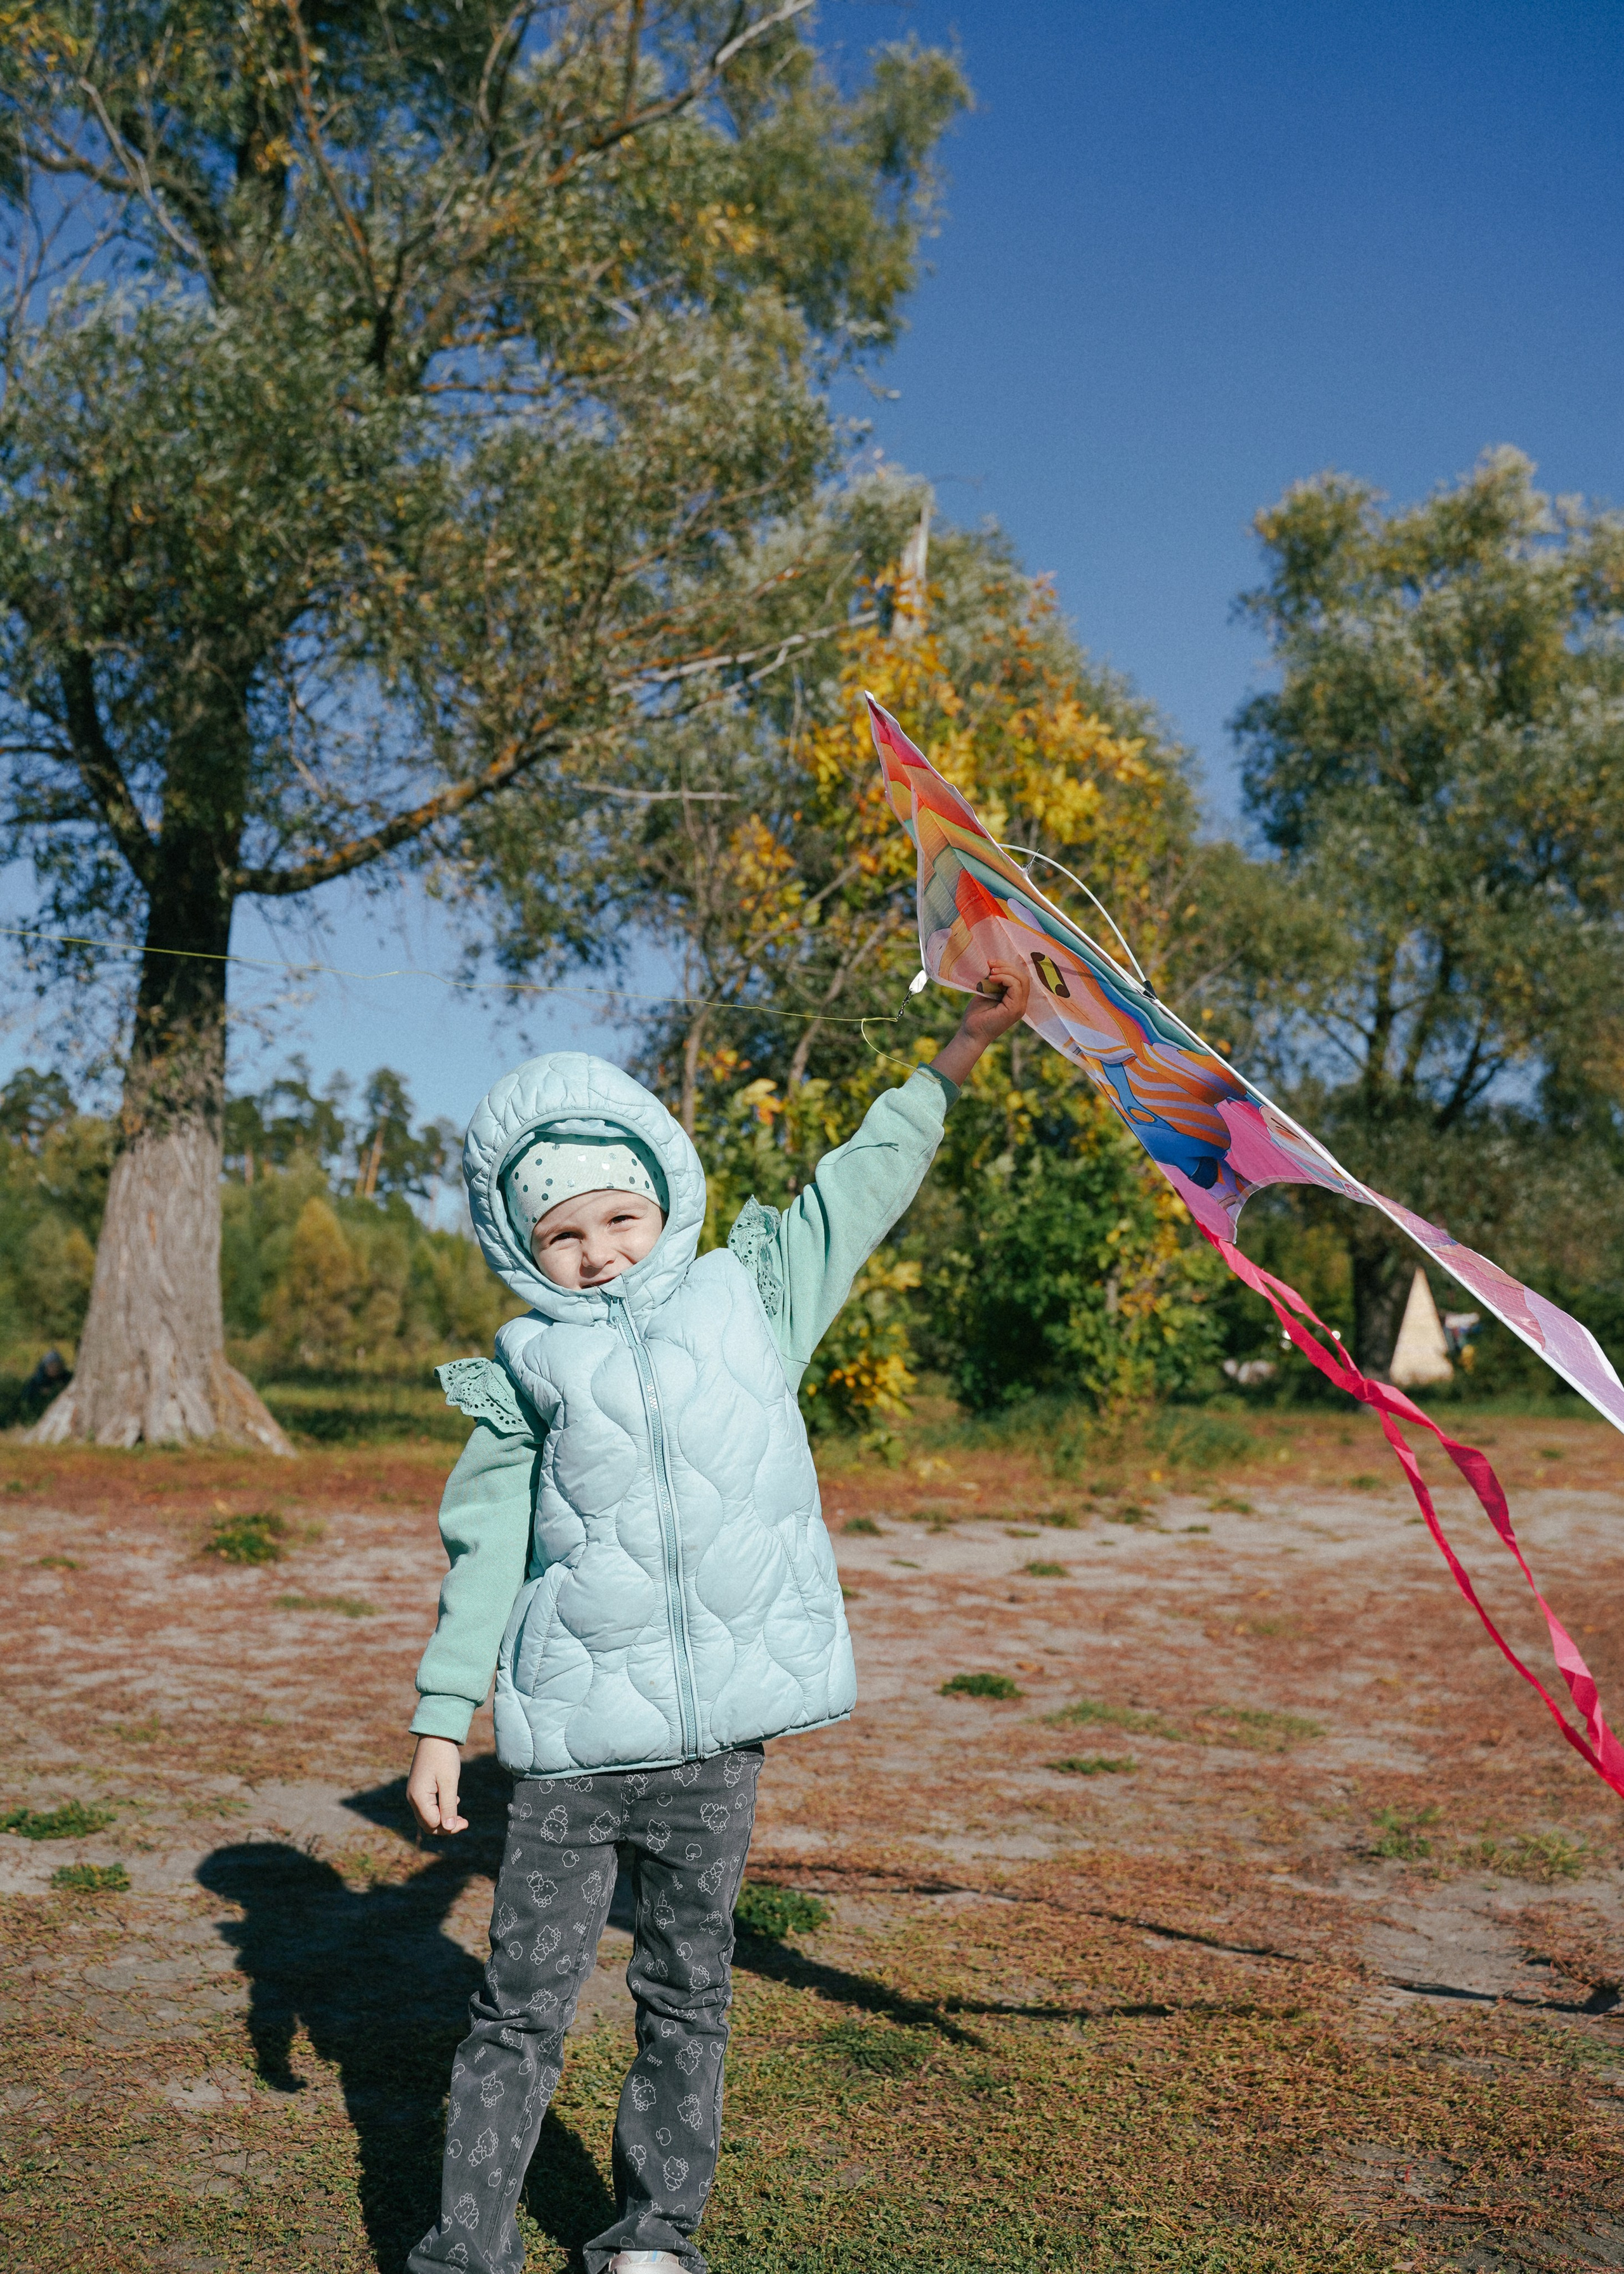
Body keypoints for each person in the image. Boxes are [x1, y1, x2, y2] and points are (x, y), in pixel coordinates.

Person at [404, 962, 1031, 2274]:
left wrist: (961, 1047)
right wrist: (439, 1722)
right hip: (571, 1753)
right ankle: (469, 2245)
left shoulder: (749, 1295)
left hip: (712, 1753)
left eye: (620, 1216)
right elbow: (484, 1550)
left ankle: (652, 2234)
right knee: (521, 2006)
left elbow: (858, 1184)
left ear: (663, 1195)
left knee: (685, 1991)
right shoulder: (527, 1365)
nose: (600, 1251)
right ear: (526, 1246)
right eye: (566, 1234)